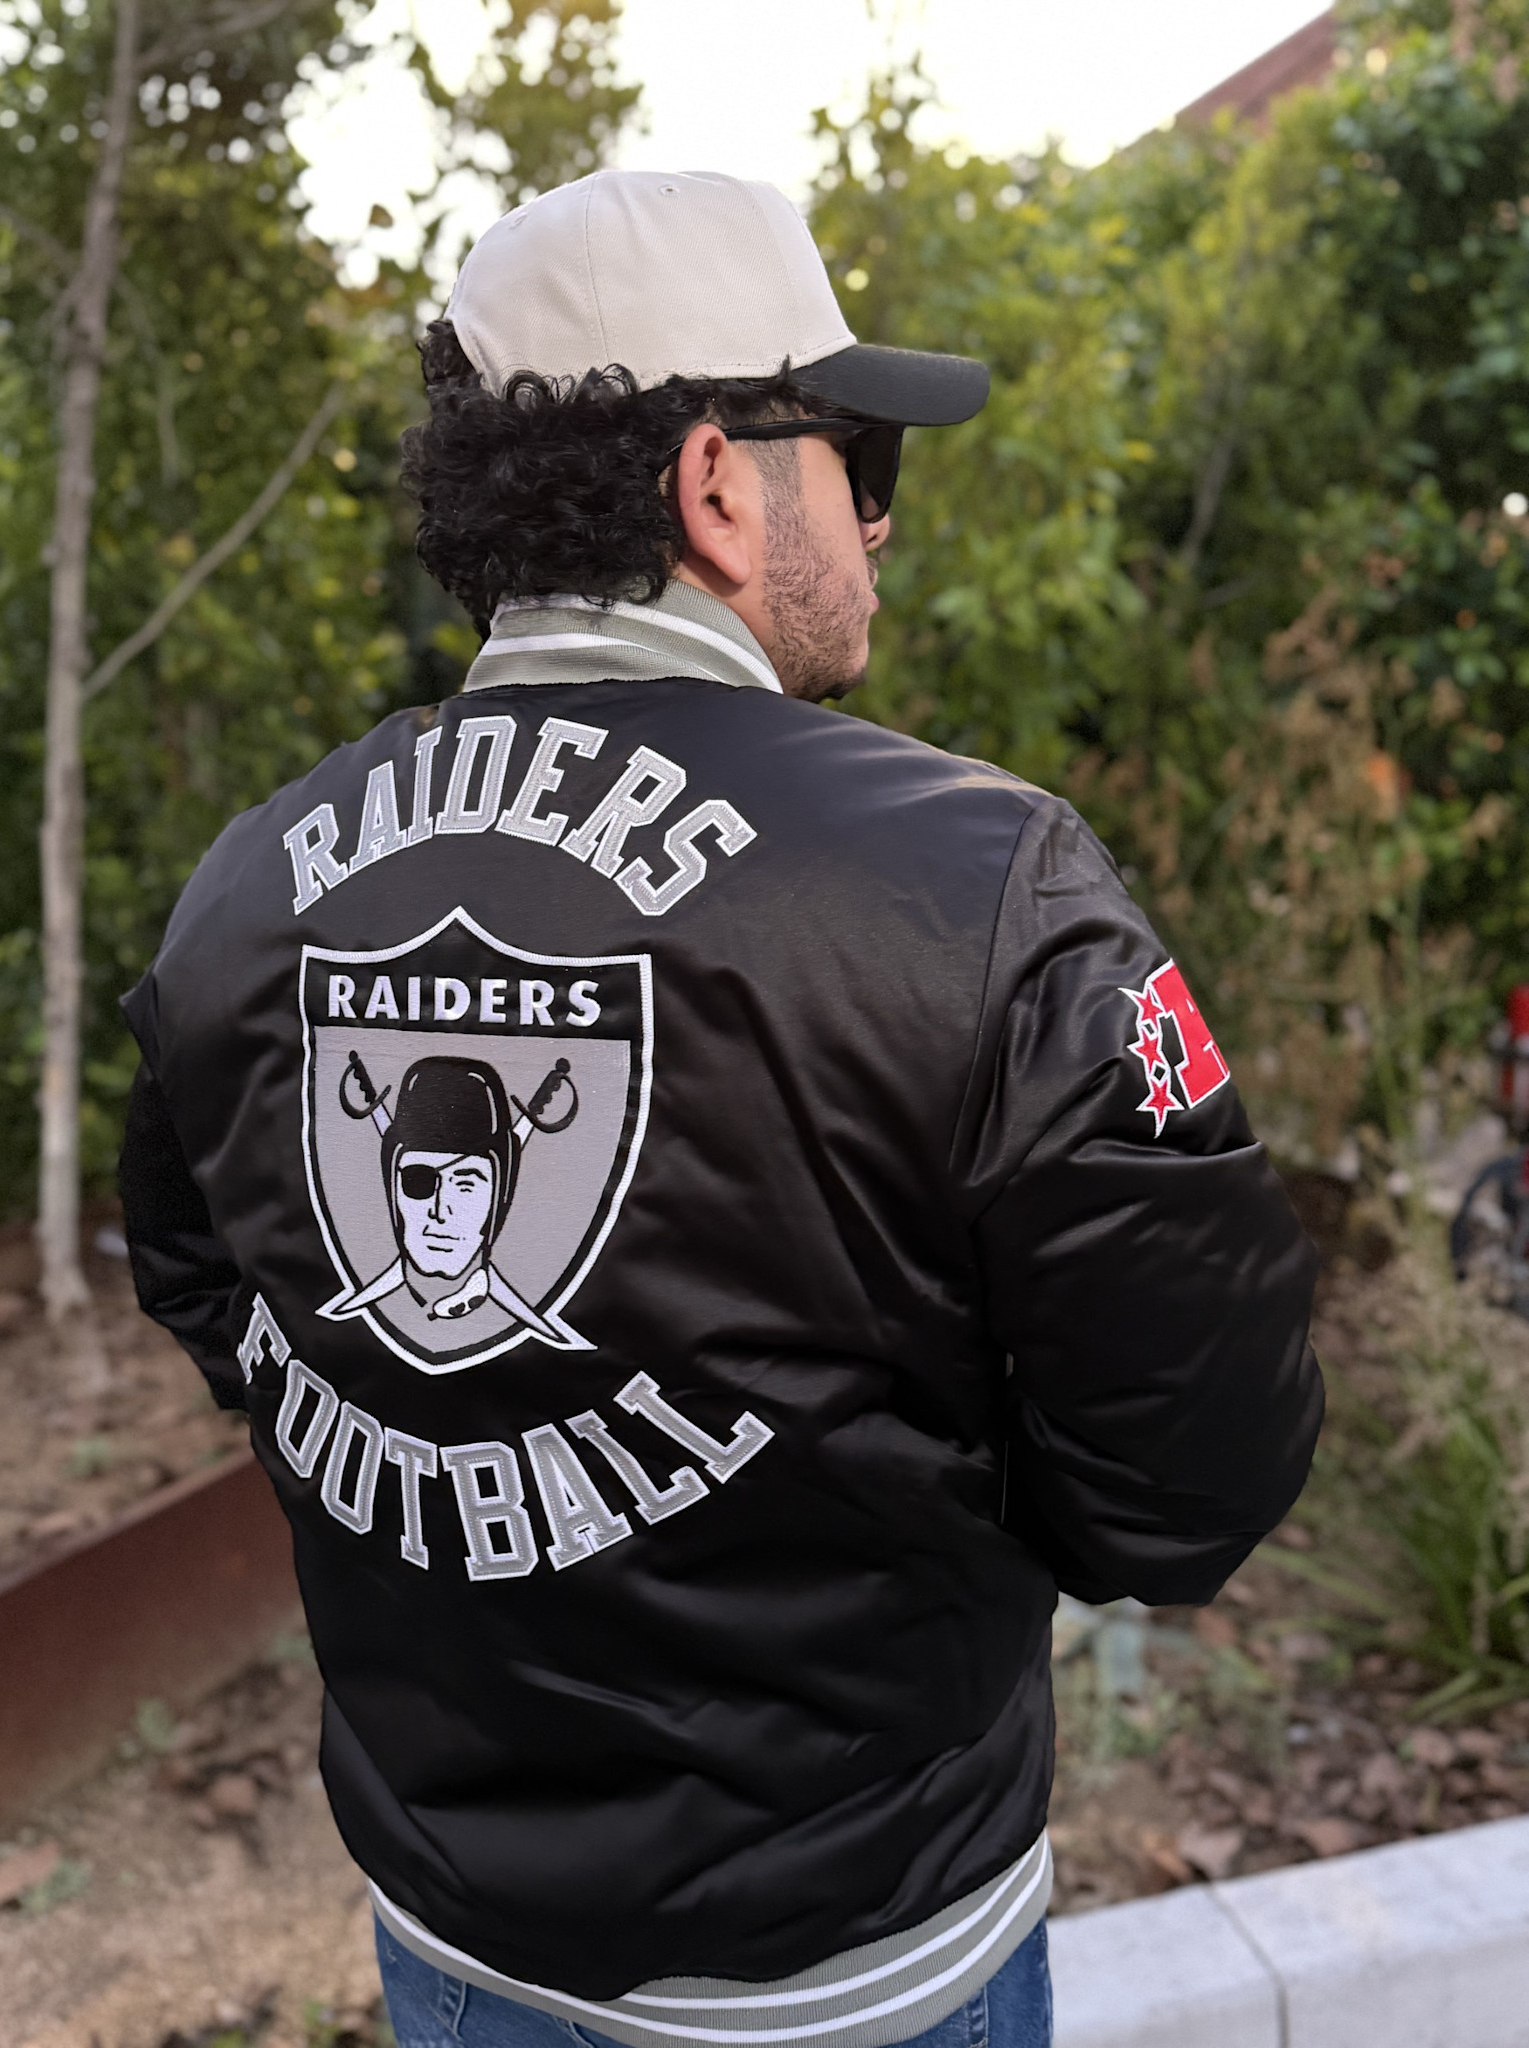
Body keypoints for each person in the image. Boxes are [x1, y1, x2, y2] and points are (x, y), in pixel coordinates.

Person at [118, 169, 1323, 2048]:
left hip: (451, 1942)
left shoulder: (249, 884)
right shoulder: (980, 888)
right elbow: (1192, 1478)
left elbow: (216, 1297)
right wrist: (922, 1522)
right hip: (863, 1972)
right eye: (856, 455)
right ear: (715, 485)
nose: (880, 517)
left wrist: (453, 1477)